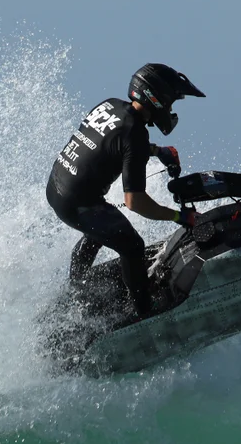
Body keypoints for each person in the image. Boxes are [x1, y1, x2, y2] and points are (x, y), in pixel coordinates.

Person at [46, 63, 206, 319]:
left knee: (102, 224)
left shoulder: (110, 105)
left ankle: (76, 288)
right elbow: (135, 202)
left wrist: (158, 152)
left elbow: (114, 141)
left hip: (56, 187)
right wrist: (180, 217)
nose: (171, 110)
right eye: (171, 103)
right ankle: (143, 312)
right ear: (158, 99)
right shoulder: (135, 134)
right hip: (77, 203)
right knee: (132, 246)